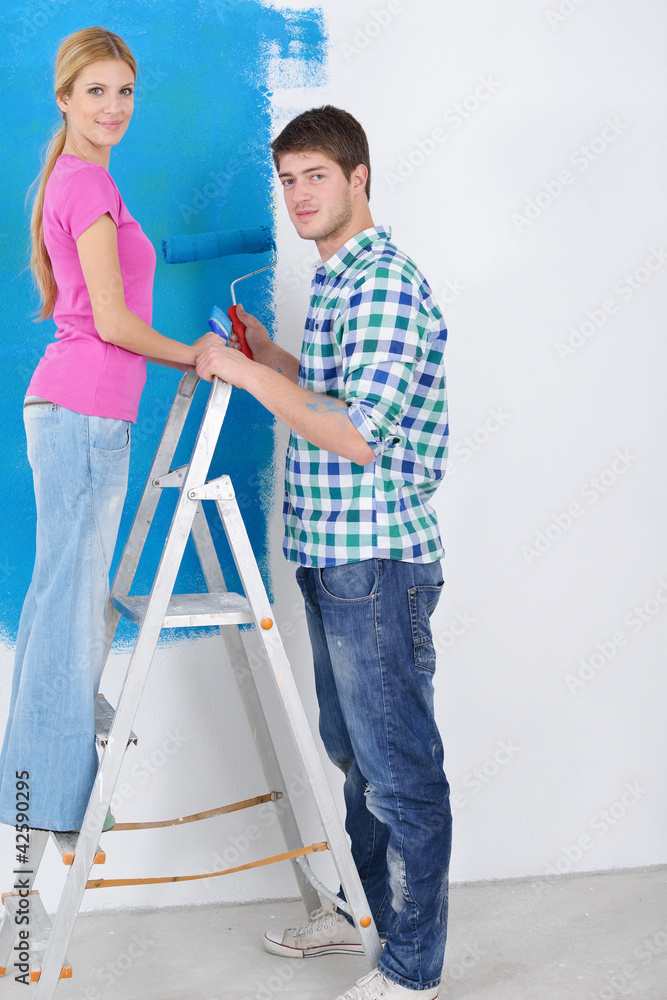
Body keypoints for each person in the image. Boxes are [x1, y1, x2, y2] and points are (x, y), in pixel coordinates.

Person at [196, 106, 451, 1000]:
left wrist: (241, 372)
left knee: (397, 770)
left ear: (358, 178)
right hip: (334, 555)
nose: (299, 195)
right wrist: (274, 358)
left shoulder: (380, 282)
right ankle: (366, 914)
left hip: (373, 559)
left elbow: (358, 434)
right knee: (356, 759)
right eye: (288, 180)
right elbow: (336, 395)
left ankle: (412, 970)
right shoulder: (342, 280)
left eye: (316, 176)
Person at [0, 27, 211, 833]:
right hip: (83, 411)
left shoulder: (80, 180)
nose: (114, 106)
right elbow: (114, 323)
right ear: (64, 98)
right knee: (71, 603)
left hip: (75, 410)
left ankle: (37, 783)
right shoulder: (85, 183)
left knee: (62, 597)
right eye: (96, 91)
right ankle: (56, 802)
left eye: (124, 91)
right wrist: (198, 355)